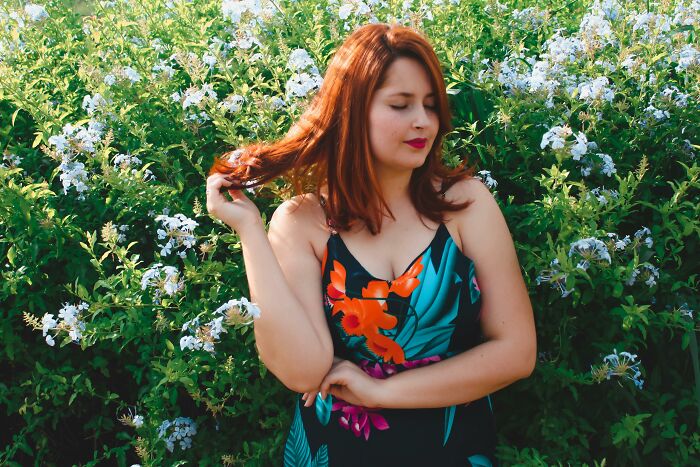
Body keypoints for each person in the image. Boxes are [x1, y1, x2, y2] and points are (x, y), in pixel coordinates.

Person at [206, 22, 536, 467]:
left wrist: (382, 391)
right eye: (400, 105)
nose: (423, 121)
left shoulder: (465, 205)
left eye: (431, 105)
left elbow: (516, 352)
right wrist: (250, 231)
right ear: (352, 112)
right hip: (337, 452)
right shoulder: (302, 223)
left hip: (452, 449)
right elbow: (302, 370)